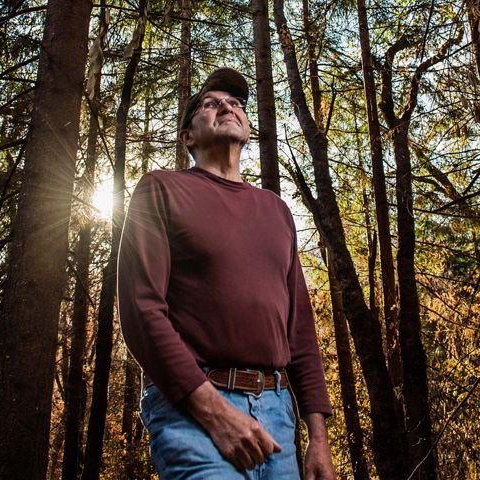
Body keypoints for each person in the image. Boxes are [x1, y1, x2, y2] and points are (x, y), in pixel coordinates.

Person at [117, 67, 335, 479]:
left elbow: (300, 332)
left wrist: (318, 438)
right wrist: (214, 413)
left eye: (236, 104)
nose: (227, 107)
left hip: (277, 419)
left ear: (249, 132)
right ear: (188, 137)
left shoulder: (277, 211)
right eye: (210, 103)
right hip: (193, 410)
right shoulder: (160, 188)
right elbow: (142, 310)